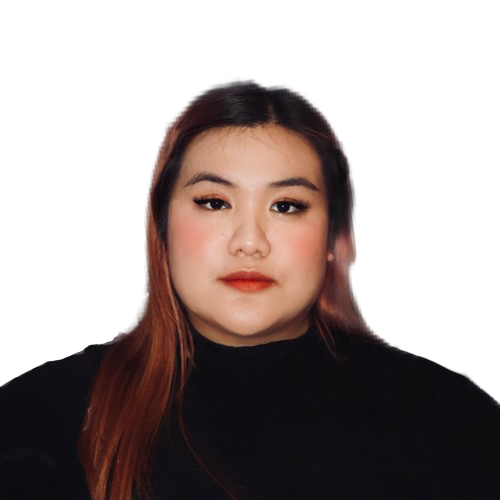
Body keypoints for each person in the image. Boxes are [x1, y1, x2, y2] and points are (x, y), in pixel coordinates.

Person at [1, 81, 499, 500]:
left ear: (333, 237)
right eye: (215, 202)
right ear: (162, 228)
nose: (249, 242)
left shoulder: (452, 421)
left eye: (287, 206)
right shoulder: (38, 416)